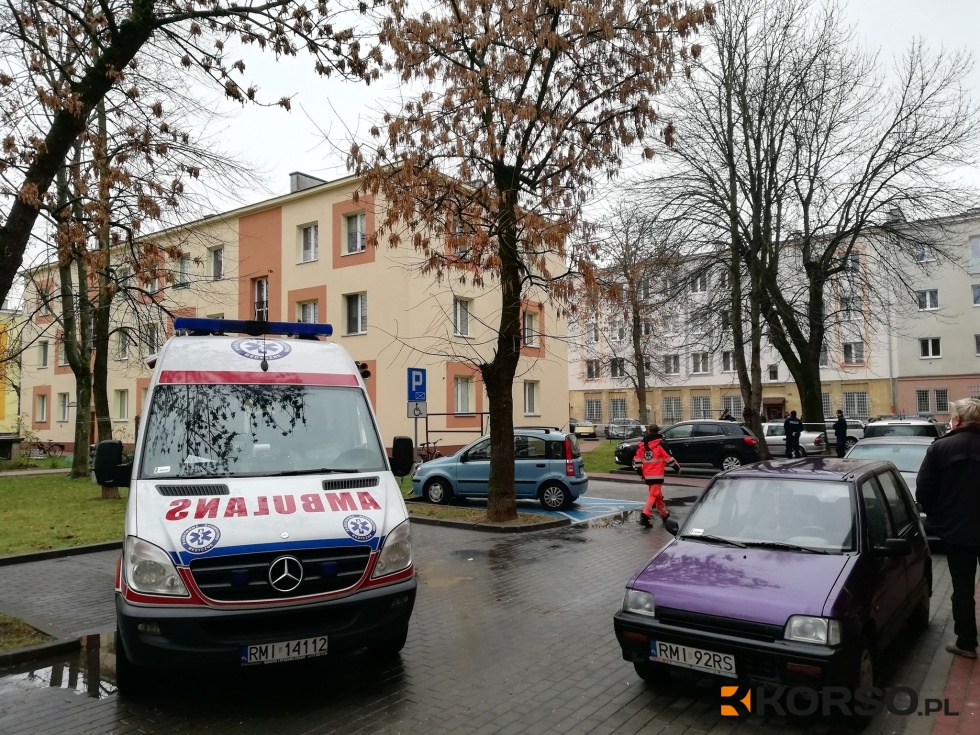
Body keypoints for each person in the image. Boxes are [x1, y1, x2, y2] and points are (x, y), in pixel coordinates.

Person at [916, 397, 980, 659]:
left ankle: (966, 642)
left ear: (958, 420)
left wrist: (938, 518)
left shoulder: (940, 449)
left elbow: (924, 491)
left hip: (957, 533)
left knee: (962, 588)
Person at [633, 424, 681, 528]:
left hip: (647, 474)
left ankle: (664, 515)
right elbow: (669, 459)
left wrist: (640, 473)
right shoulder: (660, 444)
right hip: (658, 474)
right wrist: (677, 468)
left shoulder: (641, 445)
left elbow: (637, 462)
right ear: (658, 431)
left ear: (648, 431)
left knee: (657, 495)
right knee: (654, 494)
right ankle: (645, 515)